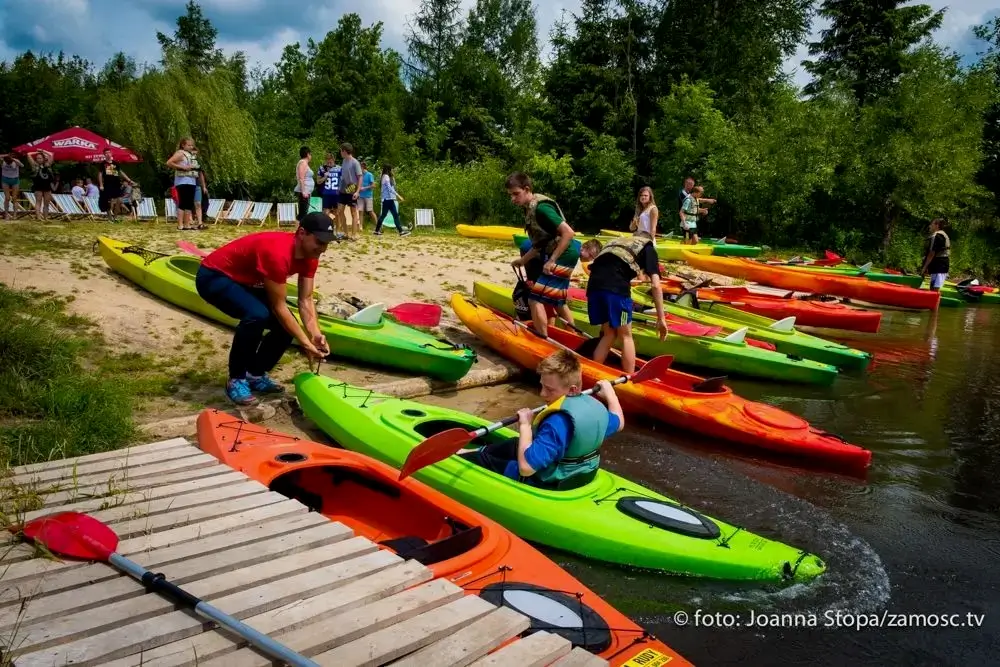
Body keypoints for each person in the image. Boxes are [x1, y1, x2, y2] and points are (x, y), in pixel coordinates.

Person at [195, 212, 334, 405]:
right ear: (302, 233)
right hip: (214, 277)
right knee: (257, 315)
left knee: (286, 327)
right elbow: (279, 307)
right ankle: (236, 379)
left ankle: (255, 374)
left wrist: (315, 334)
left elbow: (306, 299)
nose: (323, 249)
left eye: (327, 243)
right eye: (319, 242)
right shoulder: (278, 253)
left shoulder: (311, 255)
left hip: (246, 282)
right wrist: (304, 343)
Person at [459, 350, 624, 489]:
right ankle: (468, 451)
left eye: (549, 390)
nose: (542, 394)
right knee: (515, 444)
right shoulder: (596, 408)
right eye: (542, 386)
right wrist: (611, 395)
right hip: (581, 474)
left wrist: (525, 425)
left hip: (549, 482)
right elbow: (619, 423)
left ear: (572, 390)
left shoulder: (557, 423)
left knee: (485, 461)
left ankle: (464, 458)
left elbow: (526, 468)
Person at [579, 232, 668, 374]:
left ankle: (593, 371)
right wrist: (661, 318)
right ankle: (629, 377)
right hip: (616, 292)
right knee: (626, 336)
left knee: (609, 334)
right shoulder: (648, 247)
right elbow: (656, 286)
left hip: (594, 287)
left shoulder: (617, 242)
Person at [506, 172, 579, 337]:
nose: (513, 199)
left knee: (534, 299)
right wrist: (523, 260)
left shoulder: (541, 208)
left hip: (564, 255)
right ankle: (574, 337)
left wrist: (552, 260)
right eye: (510, 195)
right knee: (558, 300)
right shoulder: (530, 208)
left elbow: (568, 233)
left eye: (516, 194)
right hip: (565, 254)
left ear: (527, 189)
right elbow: (541, 243)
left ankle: (542, 339)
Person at [166, 138, 201, 231]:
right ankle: (180, 224)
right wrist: (183, 167)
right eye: (189, 145)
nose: (191, 147)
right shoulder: (180, 153)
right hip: (182, 181)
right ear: (183, 145)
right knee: (183, 203)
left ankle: (187, 224)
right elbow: (169, 162)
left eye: (192, 145)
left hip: (192, 181)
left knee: (189, 204)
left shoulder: (191, 155)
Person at [98, 147, 135, 222]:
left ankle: (114, 217)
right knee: (107, 201)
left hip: (116, 184)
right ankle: (110, 218)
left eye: (109, 152)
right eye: (106, 153)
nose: (108, 154)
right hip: (107, 184)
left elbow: (121, 172)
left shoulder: (115, 163)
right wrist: (101, 185)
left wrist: (129, 180)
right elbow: (100, 174)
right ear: (104, 155)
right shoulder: (103, 164)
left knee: (120, 200)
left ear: (111, 153)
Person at [336, 143, 364, 240]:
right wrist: (339, 187)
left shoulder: (355, 162)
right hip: (343, 188)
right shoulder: (344, 161)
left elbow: (360, 177)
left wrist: (357, 191)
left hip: (352, 188)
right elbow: (343, 176)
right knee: (340, 211)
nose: (340, 152)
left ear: (344, 151)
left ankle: (354, 234)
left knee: (353, 212)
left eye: (341, 150)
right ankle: (345, 233)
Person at [374, 164, 410, 236]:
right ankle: (401, 232)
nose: (392, 170)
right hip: (388, 199)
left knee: (386, 215)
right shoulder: (386, 177)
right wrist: (398, 196)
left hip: (388, 199)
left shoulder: (384, 176)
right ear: (389, 170)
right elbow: (389, 188)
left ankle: (376, 231)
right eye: (391, 169)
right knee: (393, 215)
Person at [921, 218, 951, 291]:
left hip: (941, 264)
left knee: (935, 289)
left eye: (932, 224)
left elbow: (931, 253)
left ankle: (936, 298)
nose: (930, 226)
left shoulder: (937, 236)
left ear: (937, 225)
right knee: (932, 287)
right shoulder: (941, 234)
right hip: (938, 263)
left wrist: (924, 267)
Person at [317, 151, 342, 233]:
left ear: (333, 159)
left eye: (330, 160)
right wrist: (325, 176)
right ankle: (326, 230)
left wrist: (341, 189)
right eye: (327, 160)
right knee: (325, 213)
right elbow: (318, 181)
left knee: (337, 213)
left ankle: (337, 231)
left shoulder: (339, 168)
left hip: (336, 194)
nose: (328, 162)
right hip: (326, 194)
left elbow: (343, 180)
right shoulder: (322, 168)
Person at [26, 149, 55, 220]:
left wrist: (43, 151)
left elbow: (51, 154)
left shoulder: (47, 165)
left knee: (46, 203)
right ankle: (38, 217)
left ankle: (46, 217)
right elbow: (28, 154)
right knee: (38, 202)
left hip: (47, 186)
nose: (38, 159)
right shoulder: (34, 165)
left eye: (40, 158)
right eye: (37, 158)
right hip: (38, 185)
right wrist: (37, 152)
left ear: (44, 159)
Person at [293, 146, 314, 222]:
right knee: (302, 214)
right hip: (304, 192)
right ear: (308, 154)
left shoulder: (304, 163)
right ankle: (298, 229)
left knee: (304, 213)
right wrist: (304, 191)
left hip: (306, 192)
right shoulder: (303, 163)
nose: (311, 156)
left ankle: (301, 228)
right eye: (310, 154)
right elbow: (301, 178)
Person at [2, 152, 23, 220]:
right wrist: (6, 155)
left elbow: (22, 165)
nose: (8, 163)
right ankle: (6, 214)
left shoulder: (15, 161)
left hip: (15, 180)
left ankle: (15, 215)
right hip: (5, 179)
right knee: (7, 198)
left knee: (14, 198)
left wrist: (13, 159)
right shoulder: (3, 161)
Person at [357, 160, 377, 229]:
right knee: (360, 211)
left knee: (370, 211)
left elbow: (373, 185)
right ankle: (360, 226)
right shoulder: (359, 175)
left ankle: (378, 226)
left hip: (368, 196)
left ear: (363, 167)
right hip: (360, 196)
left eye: (359, 168)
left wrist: (364, 188)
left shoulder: (369, 175)